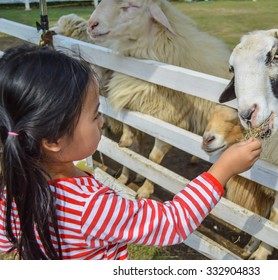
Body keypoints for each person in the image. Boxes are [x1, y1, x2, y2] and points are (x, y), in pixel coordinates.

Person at [0, 44, 262, 260]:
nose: (102, 122)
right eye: (94, 115)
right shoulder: (91, 208)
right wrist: (222, 169)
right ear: (53, 140)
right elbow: (172, 223)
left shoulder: (14, 189)